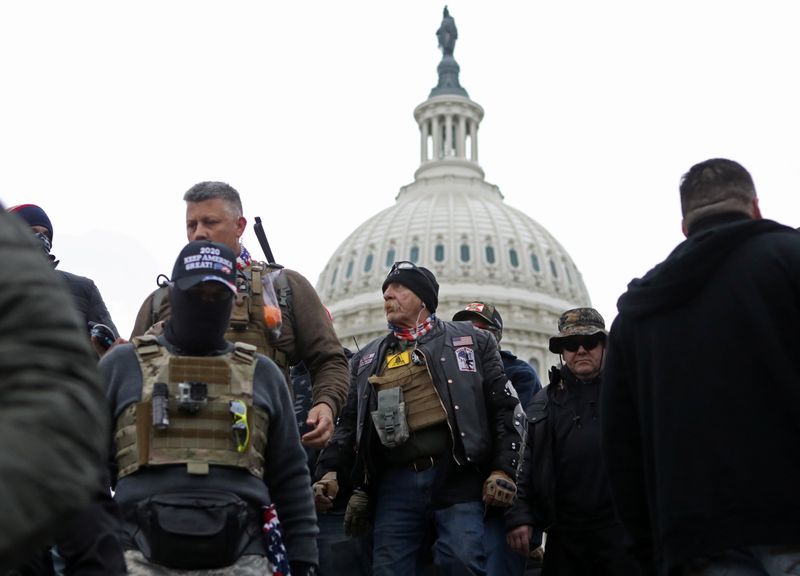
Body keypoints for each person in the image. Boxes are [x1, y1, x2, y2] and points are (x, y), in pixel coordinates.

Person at [601, 158, 800, 576]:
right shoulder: (789, 261)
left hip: (694, 539)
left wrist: (646, 548)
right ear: (756, 206)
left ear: (684, 225)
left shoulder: (637, 313)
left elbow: (621, 449)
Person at [100, 240, 319, 575]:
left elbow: (290, 476)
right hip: (136, 553)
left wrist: (304, 559)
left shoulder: (262, 374)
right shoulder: (122, 366)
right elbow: (83, 468)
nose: (207, 303)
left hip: (241, 554)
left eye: (218, 297)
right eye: (196, 293)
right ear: (173, 295)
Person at [314, 261, 526, 576]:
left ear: (423, 298)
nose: (388, 295)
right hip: (395, 482)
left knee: (462, 561)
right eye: (386, 289)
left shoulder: (469, 341)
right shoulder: (368, 359)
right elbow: (349, 426)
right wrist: (331, 472)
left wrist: (503, 469)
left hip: (455, 474)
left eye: (399, 288)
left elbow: (504, 409)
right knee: (389, 568)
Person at [130, 181, 349, 448]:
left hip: (264, 450)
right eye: (192, 225)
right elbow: (132, 376)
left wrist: (326, 404)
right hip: (176, 449)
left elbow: (329, 359)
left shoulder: (283, 287)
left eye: (210, 222)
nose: (199, 233)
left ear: (240, 226)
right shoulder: (161, 299)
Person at [0, 206, 119, 573]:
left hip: (74, 437)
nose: (41, 238)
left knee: (91, 549)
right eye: (31, 231)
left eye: (45, 231)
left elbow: (112, 345)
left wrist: (96, 343)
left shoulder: (80, 287)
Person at [506, 307, 639, 576]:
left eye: (589, 342)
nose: (580, 350)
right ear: (562, 352)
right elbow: (523, 461)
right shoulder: (542, 403)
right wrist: (519, 515)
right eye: (570, 344)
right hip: (565, 532)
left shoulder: (632, 395)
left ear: (604, 346)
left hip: (621, 529)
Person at [452, 300, 542, 575]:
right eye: (464, 329)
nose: (471, 335)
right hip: (458, 501)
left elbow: (528, 447)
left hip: (502, 505)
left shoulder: (519, 375)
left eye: (481, 330)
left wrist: (520, 516)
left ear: (496, 338)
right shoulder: (448, 378)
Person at [9, 203, 122, 356]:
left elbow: (114, 352)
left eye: (46, 235)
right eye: (32, 232)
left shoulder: (83, 288)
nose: (41, 238)